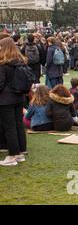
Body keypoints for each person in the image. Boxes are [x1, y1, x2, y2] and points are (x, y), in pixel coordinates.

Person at [0, 38, 29, 166]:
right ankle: (20, 152)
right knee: (18, 125)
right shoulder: (20, 62)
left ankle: (12, 155)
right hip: (19, 97)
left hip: (6, 99)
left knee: (9, 127)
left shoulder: (3, 64)